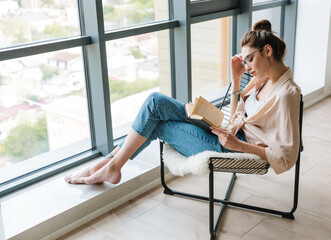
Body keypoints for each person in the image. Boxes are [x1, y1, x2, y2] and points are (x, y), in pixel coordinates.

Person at [65, 19, 301, 184]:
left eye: (249, 59)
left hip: (232, 146)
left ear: (267, 51)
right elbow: (243, 111)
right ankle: (111, 164)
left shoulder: (287, 93)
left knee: (158, 124)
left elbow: (287, 158)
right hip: (229, 131)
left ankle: (111, 166)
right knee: (155, 101)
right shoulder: (262, 79)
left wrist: (237, 145)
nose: (246, 65)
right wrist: (236, 80)